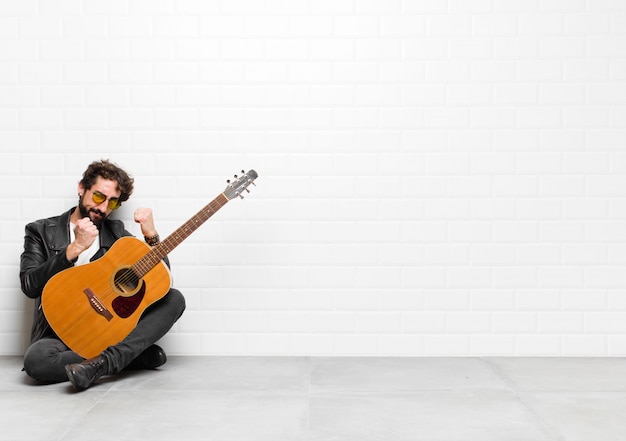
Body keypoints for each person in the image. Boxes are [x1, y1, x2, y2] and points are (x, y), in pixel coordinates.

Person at [19, 159, 186, 391]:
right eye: (99, 196)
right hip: (59, 332)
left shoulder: (116, 234)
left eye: (112, 202)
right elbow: (29, 285)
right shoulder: (39, 231)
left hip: (105, 330)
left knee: (174, 299)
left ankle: (100, 363)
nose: (103, 207)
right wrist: (73, 249)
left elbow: (159, 279)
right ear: (81, 188)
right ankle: (131, 356)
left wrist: (151, 236)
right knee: (36, 360)